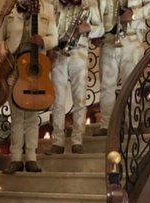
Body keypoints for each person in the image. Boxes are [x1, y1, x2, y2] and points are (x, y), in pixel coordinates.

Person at [0, 0, 58, 174]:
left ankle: (32, 158)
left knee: (32, 116)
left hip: (35, 66)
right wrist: (6, 54)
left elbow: (54, 37)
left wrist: (43, 41)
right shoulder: (9, 7)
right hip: (14, 66)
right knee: (17, 116)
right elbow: (0, 38)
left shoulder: (48, 9)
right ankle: (16, 158)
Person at [93, 0, 150, 136]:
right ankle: (107, 125)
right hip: (109, 40)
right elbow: (96, 12)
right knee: (106, 86)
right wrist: (95, 34)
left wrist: (134, 14)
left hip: (131, 40)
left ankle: (133, 124)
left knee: (131, 85)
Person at [47, 0, 103, 155]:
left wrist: (89, 28)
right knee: (57, 100)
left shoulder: (89, 4)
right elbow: (46, 29)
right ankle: (57, 141)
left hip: (79, 53)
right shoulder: (53, 4)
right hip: (58, 54)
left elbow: (102, 29)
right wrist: (49, 48)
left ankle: (77, 140)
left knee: (80, 99)